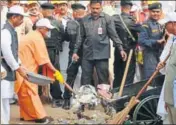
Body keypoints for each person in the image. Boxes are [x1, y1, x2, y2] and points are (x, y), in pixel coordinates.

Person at [15, 18, 62, 123]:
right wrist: (56, 72)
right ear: (42, 29)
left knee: (24, 94)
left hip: (22, 67)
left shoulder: (32, 35)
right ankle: (40, 117)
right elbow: (44, 60)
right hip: (26, 69)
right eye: (47, 29)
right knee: (30, 93)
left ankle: (26, 115)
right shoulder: (37, 38)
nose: (48, 32)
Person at [73, 0, 127, 86]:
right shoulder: (84, 20)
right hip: (87, 54)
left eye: (97, 8)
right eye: (93, 8)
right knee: (85, 79)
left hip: (102, 54)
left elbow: (114, 35)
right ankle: (86, 98)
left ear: (101, 8)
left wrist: (121, 49)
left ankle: (104, 98)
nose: (95, 10)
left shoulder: (107, 19)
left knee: (103, 79)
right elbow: (80, 37)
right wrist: (75, 52)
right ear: (90, 7)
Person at [1, 5, 28, 124]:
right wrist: (17, 67)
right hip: (3, 68)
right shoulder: (5, 31)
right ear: (13, 17)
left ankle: (5, 121)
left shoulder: (11, 30)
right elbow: (6, 52)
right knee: (2, 100)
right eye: (21, 18)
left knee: (5, 98)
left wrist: (20, 64)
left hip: (8, 68)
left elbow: (14, 51)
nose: (22, 21)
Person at [40, 2, 65, 108]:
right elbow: (63, 36)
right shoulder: (58, 23)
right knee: (54, 73)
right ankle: (57, 99)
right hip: (53, 52)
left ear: (45, 11)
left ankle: (38, 96)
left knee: (38, 74)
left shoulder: (39, 22)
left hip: (41, 51)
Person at [63, 3, 86, 110]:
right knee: (86, 77)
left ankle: (66, 101)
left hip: (73, 53)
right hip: (86, 54)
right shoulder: (89, 22)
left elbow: (66, 38)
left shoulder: (70, 23)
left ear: (75, 13)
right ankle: (84, 102)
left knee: (70, 77)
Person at [113, 0, 140, 88]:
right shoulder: (132, 21)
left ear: (121, 7)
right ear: (130, 8)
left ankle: (116, 93)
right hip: (130, 51)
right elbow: (142, 31)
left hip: (118, 49)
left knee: (117, 73)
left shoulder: (114, 18)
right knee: (128, 74)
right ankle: (126, 95)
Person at [157, 12, 176, 124]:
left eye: (166, 24)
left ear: (173, 24)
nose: (165, 27)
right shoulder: (173, 40)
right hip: (171, 92)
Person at [138, 2, 165, 79]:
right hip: (150, 55)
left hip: (161, 54)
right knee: (151, 78)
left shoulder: (161, 23)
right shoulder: (146, 24)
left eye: (158, 11)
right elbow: (141, 41)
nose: (156, 14)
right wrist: (156, 41)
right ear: (149, 12)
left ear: (160, 12)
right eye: (153, 12)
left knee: (161, 77)